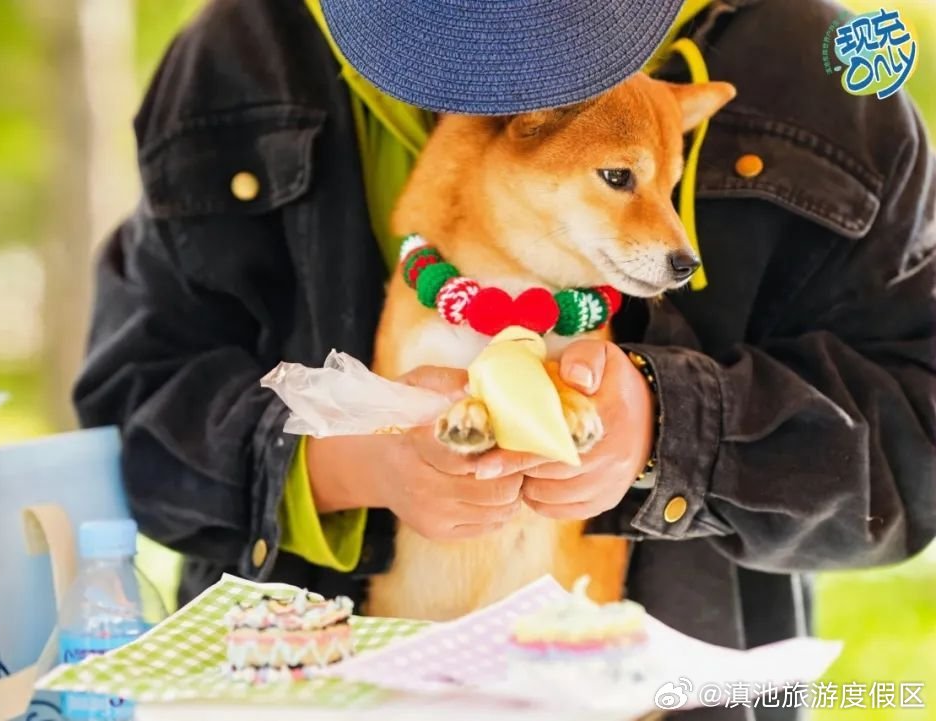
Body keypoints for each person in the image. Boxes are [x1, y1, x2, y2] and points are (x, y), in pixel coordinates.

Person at [74, 1, 936, 718]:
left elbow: (917, 438)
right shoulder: (241, 54)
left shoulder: (827, 71)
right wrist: (332, 460)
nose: (498, 70)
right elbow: (130, 410)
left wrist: (673, 436)